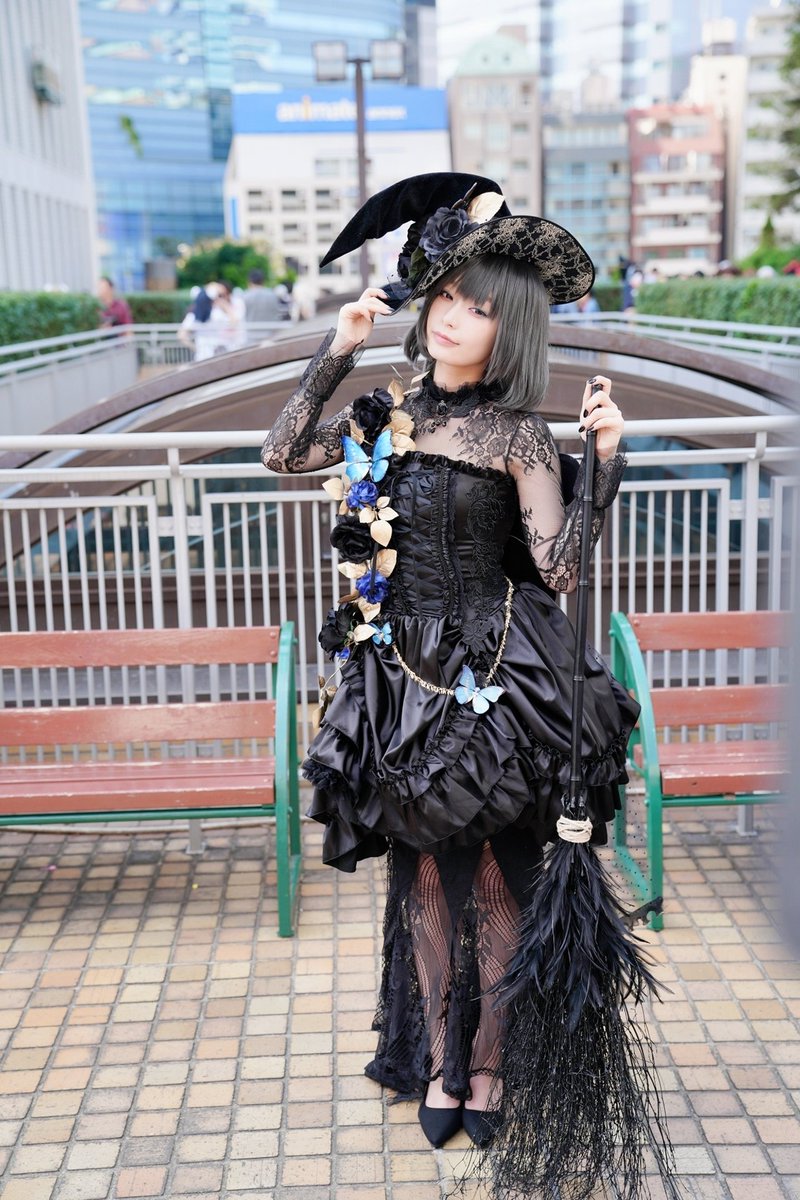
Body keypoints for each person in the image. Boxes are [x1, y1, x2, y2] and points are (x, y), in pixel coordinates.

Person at [261, 174, 651, 1193]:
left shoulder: (516, 432)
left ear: (507, 328)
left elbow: (557, 567)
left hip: (500, 677)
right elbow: (282, 452)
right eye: (443, 296)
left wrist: (604, 461)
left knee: (498, 879)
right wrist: (338, 345)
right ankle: (441, 1057)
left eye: (476, 307)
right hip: (401, 680)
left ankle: (489, 1063)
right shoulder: (382, 413)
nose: (451, 317)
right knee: (425, 880)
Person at [179, 280, 246, 360]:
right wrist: (225, 306)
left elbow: (181, 336)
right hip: (218, 357)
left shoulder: (193, 316)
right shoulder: (217, 314)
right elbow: (235, 322)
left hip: (203, 357)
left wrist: (197, 349)